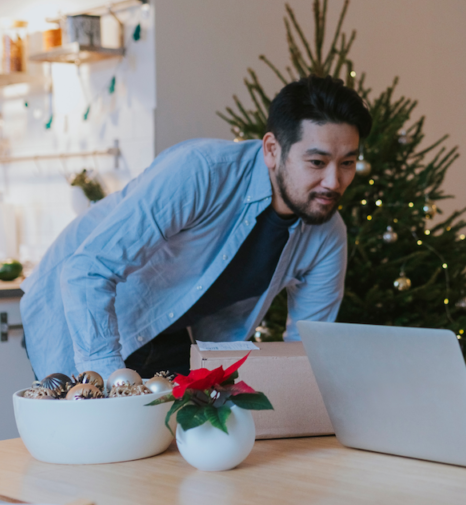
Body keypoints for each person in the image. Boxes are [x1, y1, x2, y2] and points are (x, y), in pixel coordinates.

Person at [20, 76, 372, 380]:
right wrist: (112, 385)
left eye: (348, 163)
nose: (333, 181)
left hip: (170, 329)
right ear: (272, 150)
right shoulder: (200, 171)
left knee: (181, 443)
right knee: (93, 446)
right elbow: (88, 270)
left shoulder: (326, 234)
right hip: (78, 310)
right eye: (317, 162)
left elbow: (305, 349)